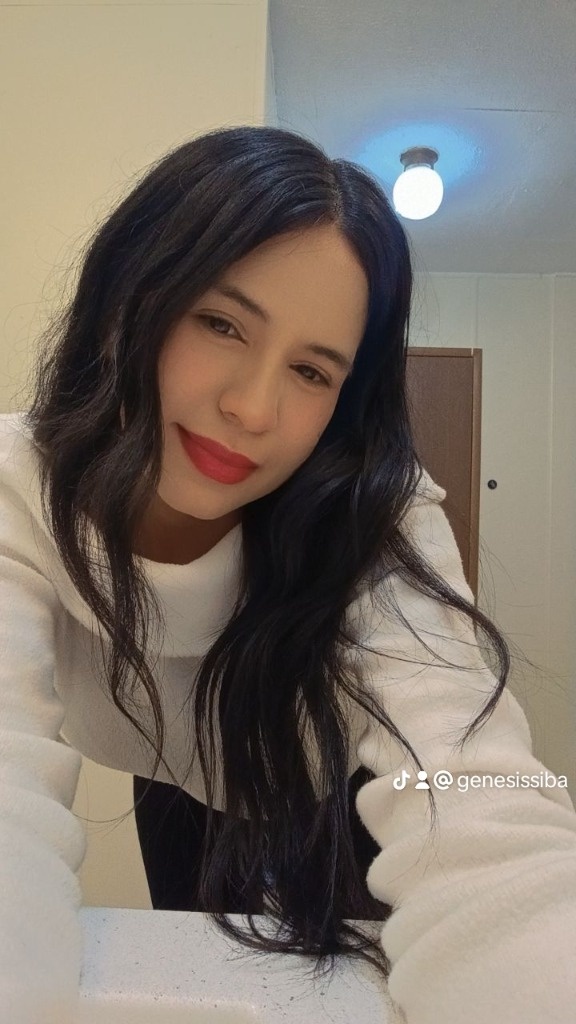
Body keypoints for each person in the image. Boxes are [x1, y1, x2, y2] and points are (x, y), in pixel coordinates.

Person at [1, 124, 575, 1024]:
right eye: (221, 323)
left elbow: (472, 794)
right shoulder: (18, 491)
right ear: (129, 298)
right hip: (173, 783)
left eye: (311, 371)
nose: (253, 408)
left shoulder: (374, 515)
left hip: (343, 789)